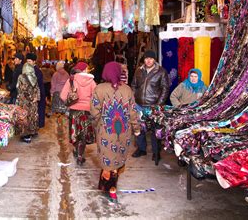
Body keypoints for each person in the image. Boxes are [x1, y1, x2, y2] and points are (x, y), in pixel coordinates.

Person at [90, 62, 140, 203]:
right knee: (117, 157)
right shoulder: (127, 90)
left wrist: (97, 126)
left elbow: (94, 111)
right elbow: (133, 112)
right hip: (123, 130)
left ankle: (110, 188)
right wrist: (136, 128)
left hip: (105, 130)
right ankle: (109, 187)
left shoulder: (99, 89)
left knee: (107, 157)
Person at [130, 50, 170, 164]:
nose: (148, 60)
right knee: (139, 128)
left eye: (151, 58)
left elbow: (165, 89)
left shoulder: (161, 72)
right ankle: (141, 149)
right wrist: (133, 99)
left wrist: (158, 105)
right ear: (144, 59)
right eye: (146, 58)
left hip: (153, 105)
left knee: (155, 130)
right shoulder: (139, 70)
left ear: (155, 60)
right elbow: (133, 85)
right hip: (138, 105)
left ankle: (156, 152)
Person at [60, 61, 96, 166]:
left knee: (75, 133)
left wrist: (70, 101)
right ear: (84, 69)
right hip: (86, 111)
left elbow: (62, 96)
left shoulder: (71, 80)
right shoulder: (91, 81)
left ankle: (77, 150)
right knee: (83, 134)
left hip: (74, 111)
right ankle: (80, 155)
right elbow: (96, 97)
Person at [16, 63, 41, 143]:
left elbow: (21, 89)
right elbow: (37, 88)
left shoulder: (21, 77)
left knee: (25, 116)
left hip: (25, 101)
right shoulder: (34, 76)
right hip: (33, 101)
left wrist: (31, 98)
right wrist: (36, 97)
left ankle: (25, 135)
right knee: (32, 116)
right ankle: (32, 131)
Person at [26, 53, 46, 129]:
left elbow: (39, 85)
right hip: (29, 95)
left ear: (34, 62)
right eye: (27, 61)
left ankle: (34, 128)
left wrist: (37, 96)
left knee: (35, 113)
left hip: (36, 95)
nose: (28, 63)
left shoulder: (37, 71)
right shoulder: (27, 70)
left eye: (30, 61)